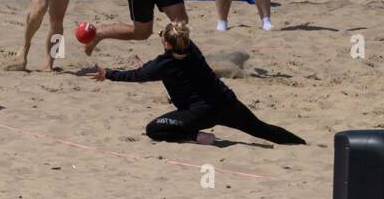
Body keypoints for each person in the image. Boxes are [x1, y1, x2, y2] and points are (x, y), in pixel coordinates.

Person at [91, 21, 304, 145]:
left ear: (165, 43)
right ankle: (301, 143)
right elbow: (176, 37)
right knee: (263, 129)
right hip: (227, 102)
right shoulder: (191, 48)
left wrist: (108, 73)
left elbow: (135, 76)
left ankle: (198, 137)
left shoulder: (162, 64)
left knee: (153, 129)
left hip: (199, 114)